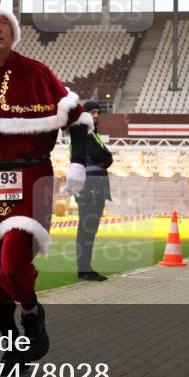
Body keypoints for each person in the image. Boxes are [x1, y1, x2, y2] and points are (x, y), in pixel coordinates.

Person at [0, 4, 93, 372]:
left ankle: (31, 310)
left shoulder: (37, 73)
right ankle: (14, 350)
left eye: (5, 23)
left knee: (12, 265)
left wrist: (77, 163)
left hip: (31, 177)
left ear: (14, 33)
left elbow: (79, 119)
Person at [73, 100, 113, 281]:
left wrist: (106, 157)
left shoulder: (92, 133)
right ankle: (84, 269)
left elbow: (107, 158)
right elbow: (101, 156)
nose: (96, 115)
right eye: (92, 112)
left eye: (98, 112)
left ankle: (85, 267)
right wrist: (105, 157)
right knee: (87, 228)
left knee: (90, 228)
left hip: (95, 185)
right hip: (89, 186)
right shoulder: (82, 132)